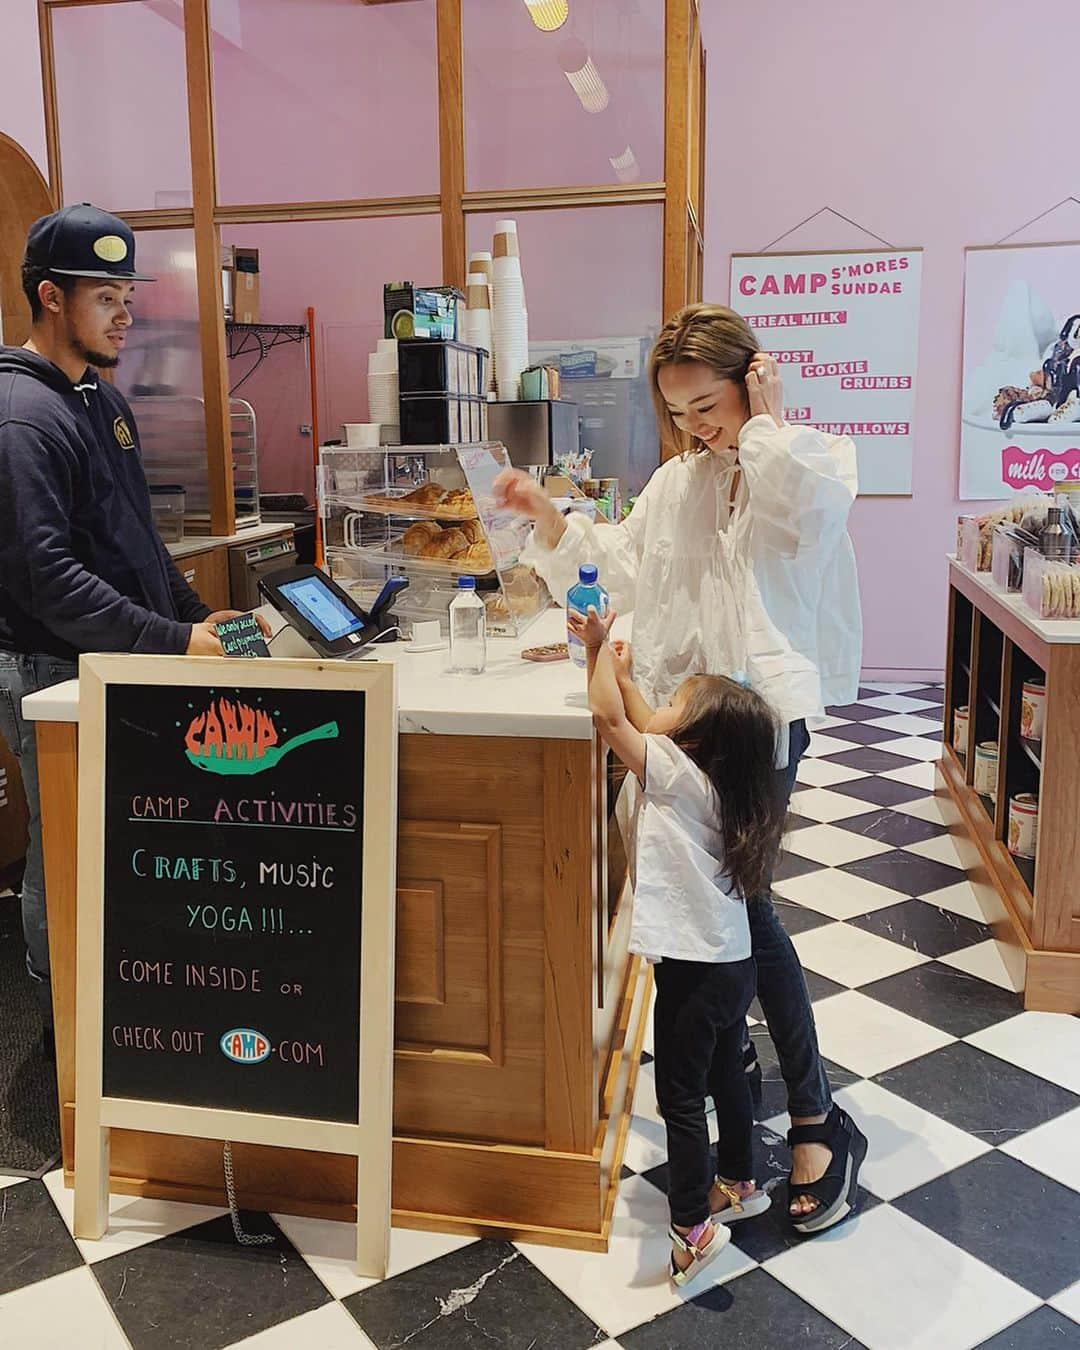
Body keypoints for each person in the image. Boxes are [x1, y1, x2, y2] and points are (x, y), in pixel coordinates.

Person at [495, 303, 868, 1233]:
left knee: (745, 909)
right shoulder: (679, 481)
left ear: (754, 378)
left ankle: (818, 1116)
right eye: (681, 411)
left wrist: (770, 423)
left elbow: (808, 519)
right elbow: (621, 563)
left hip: (754, 728)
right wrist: (551, 519)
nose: (699, 427)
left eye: (711, 404)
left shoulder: (807, 459)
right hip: (683, 724)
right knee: (731, 907)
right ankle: (760, 1088)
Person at [0, 203, 254, 1044]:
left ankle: (124, 1011)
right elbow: (52, 584)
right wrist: (178, 640)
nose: (126, 312)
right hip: (48, 668)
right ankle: (62, 1024)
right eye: (105, 296)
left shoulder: (101, 402)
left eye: (126, 295)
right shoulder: (22, 419)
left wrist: (192, 612)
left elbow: (139, 543)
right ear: (48, 297)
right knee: (67, 846)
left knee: (119, 838)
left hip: (113, 659)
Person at [568, 602, 778, 1285]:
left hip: (695, 969)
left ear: (693, 738)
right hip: (730, 961)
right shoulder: (717, 783)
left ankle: (692, 1225)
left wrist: (599, 648)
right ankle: (742, 1181)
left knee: (682, 1094)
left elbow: (610, 721)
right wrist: (623, 673)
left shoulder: (676, 777)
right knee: (726, 1072)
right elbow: (637, 710)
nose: (662, 704)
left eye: (678, 705)